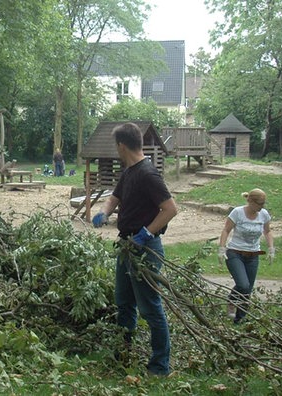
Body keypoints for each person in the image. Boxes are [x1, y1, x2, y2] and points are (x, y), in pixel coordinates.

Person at [91, 122, 178, 376]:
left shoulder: (148, 174)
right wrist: (103, 212)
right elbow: (113, 198)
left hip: (145, 249)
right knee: (125, 303)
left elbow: (171, 209)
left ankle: (159, 366)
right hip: (126, 247)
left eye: (115, 146)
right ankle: (123, 355)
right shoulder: (129, 172)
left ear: (122, 145)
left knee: (150, 308)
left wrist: (147, 233)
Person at [217, 188, 274, 324]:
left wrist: (271, 248)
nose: (262, 206)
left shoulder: (264, 214)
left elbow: (267, 231)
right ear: (251, 202)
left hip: (253, 255)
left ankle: (240, 320)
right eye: (260, 203)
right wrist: (221, 248)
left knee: (247, 291)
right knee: (243, 285)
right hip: (235, 253)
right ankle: (231, 301)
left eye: (263, 203)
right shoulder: (238, 212)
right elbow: (226, 230)